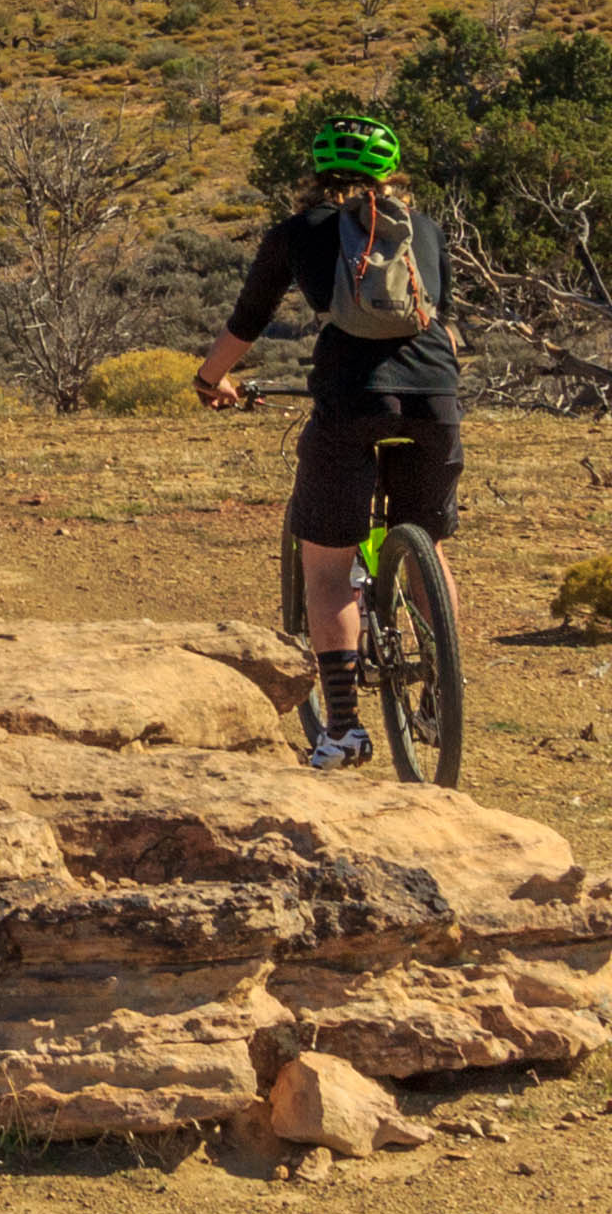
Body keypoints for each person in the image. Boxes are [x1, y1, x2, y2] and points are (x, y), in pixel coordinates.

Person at [194, 109, 461, 768]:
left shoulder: (299, 231)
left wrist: (211, 379)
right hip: (435, 400)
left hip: (349, 400)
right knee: (427, 536)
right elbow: (445, 325)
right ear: (391, 173)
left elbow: (250, 317)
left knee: (328, 569)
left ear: (317, 173)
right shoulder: (423, 230)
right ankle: (440, 694)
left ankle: (343, 728)